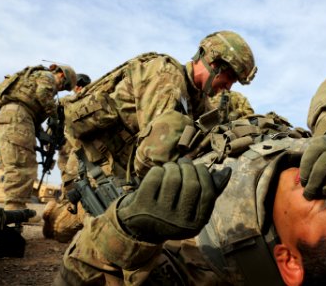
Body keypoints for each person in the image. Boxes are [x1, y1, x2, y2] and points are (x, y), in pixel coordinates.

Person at [55, 70, 326, 285]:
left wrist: (128, 230)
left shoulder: (205, 260)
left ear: (288, 262)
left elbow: (77, 279)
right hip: (251, 131)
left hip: (183, 157)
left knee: (163, 136)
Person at [41, 31, 257, 242]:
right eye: (228, 76)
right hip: (92, 165)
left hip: (117, 169)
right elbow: (153, 159)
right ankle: (56, 218)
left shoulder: (197, 99)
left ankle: (59, 214)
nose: (228, 86)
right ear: (212, 61)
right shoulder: (166, 75)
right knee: (111, 239)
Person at [0, 63, 76, 221]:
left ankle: (15, 209)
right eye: (63, 87)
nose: (59, 90)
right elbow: (42, 93)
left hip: (11, 116)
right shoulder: (48, 77)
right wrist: (55, 118)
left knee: (15, 163)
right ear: (62, 76)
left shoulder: (30, 79)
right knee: (22, 166)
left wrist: (43, 135)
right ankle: (15, 211)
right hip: (19, 117)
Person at [42, 73, 92, 242]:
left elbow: (51, 128)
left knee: (70, 182)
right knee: (71, 183)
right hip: (71, 149)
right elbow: (52, 126)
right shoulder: (71, 102)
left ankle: (57, 218)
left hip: (72, 149)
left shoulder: (66, 102)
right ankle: (58, 222)